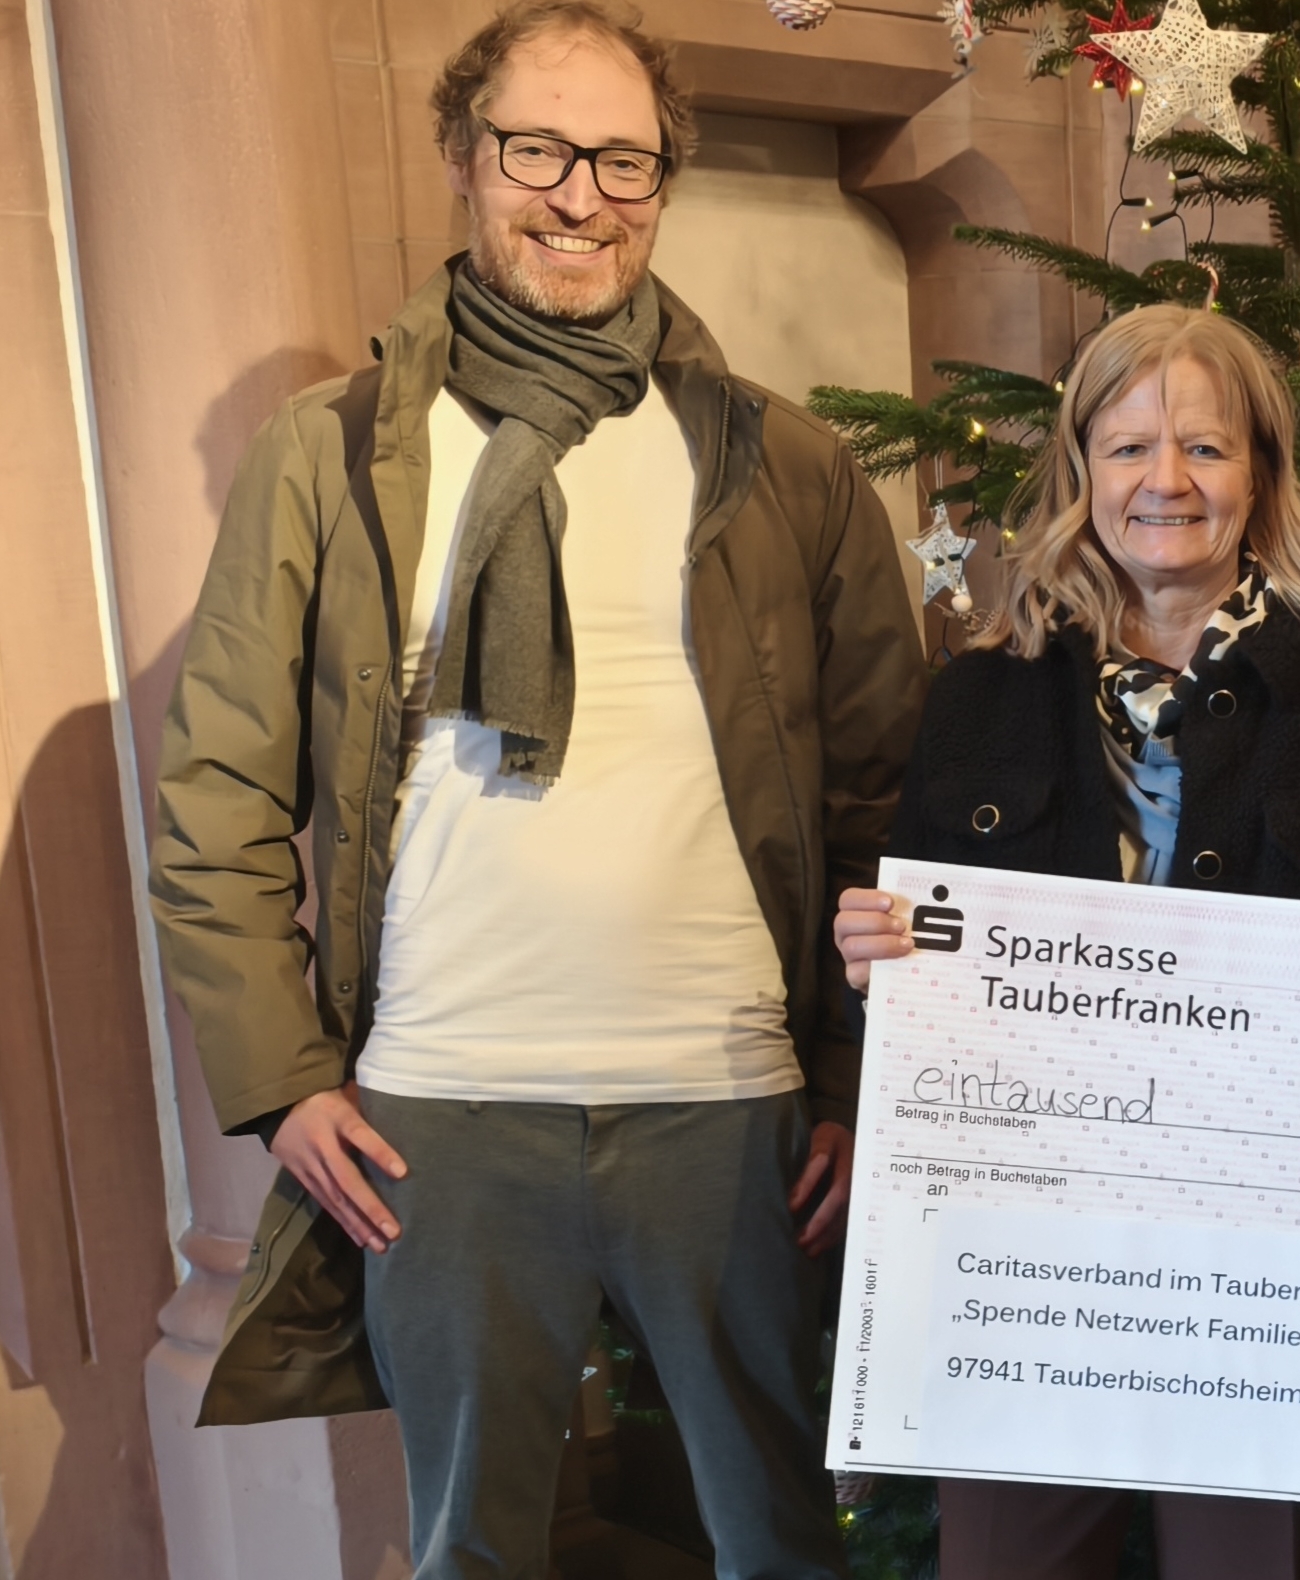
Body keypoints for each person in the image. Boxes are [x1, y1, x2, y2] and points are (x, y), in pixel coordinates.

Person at [147, 4, 925, 1575]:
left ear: (662, 181)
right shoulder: (334, 451)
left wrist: (856, 1080)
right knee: (474, 1551)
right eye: (538, 151)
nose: (581, 196)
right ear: (462, 155)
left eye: (624, 161)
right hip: (443, 1108)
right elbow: (217, 794)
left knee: (782, 1541)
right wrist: (283, 1079)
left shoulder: (784, 464)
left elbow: (883, 800)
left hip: (731, 1102)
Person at [834, 302, 1300, 1579]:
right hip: (1022, 1254)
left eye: (1205, 447)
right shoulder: (980, 695)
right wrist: (874, 964)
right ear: (1081, 471)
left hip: (1274, 1271)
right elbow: (918, 989)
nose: (1166, 479)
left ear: (1260, 474)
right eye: (1127, 448)